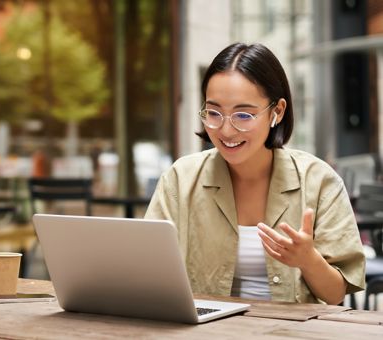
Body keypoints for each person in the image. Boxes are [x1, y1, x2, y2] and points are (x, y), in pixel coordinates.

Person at [145, 42, 365, 304]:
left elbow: (335, 294)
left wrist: (308, 260)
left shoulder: (319, 181)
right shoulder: (181, 179)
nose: (226, 130)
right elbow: (147, 271)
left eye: (243, 115)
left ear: (277, 112)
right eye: (214, 113)